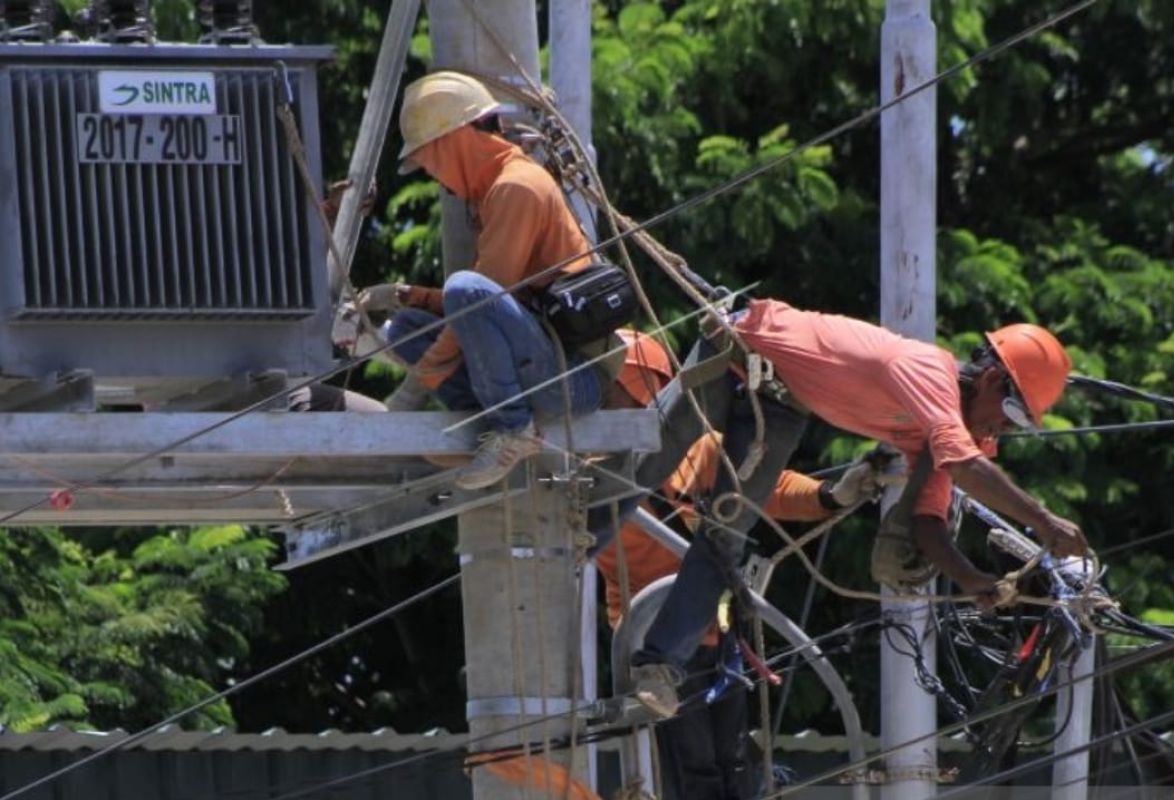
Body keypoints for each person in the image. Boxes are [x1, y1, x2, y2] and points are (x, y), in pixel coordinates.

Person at [616, 300, 1087, 718]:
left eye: (1022, 422)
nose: (1008, 427)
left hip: (782, 404)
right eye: (1015, 411)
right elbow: (962, 466)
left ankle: (659, 665)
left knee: (727, 535)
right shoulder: (926, 371)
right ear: (989, 379)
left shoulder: (942, 437)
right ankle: (568, 543)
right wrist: (1045, 523)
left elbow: (927, 522)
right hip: (739, 352)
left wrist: (969, 579)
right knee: (646, 464)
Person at [595, 329, 880, 798]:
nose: (599, 399)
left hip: (711, 631)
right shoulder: (584, 470)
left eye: (609, 385)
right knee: (695, 774)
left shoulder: (695, 453)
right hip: (649, 643)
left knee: (736, 769)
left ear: (644, 386)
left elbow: (765, 486)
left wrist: (832, 495)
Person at [355, 71, 624, 490]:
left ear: (451, 142)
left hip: (572, 380)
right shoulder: (494, 191)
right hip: (536, 363)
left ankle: (513, 430)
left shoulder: (516, 187)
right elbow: (485, 309)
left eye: (427, 160)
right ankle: (491, 419)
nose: (433, 176)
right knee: (409, 327)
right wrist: (407, 296)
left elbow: (478, 299)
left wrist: (413, 390)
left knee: (465, 289)